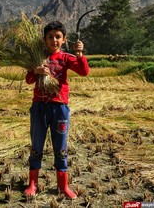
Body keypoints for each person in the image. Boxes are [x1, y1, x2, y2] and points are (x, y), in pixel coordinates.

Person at [24, 21, 90, 199]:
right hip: (39, 106)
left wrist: (80, 54)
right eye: (50, 37)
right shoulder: (38, 58)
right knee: (36, 145)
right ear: (45, 40)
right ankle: (33, 184)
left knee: (60, 147)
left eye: (58, 37)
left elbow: (84, 72)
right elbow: (29, 80)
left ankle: (63, 186)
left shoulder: (67, 58)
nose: (54, 40)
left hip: (60, 107)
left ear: (64, 39)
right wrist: (36, 71)